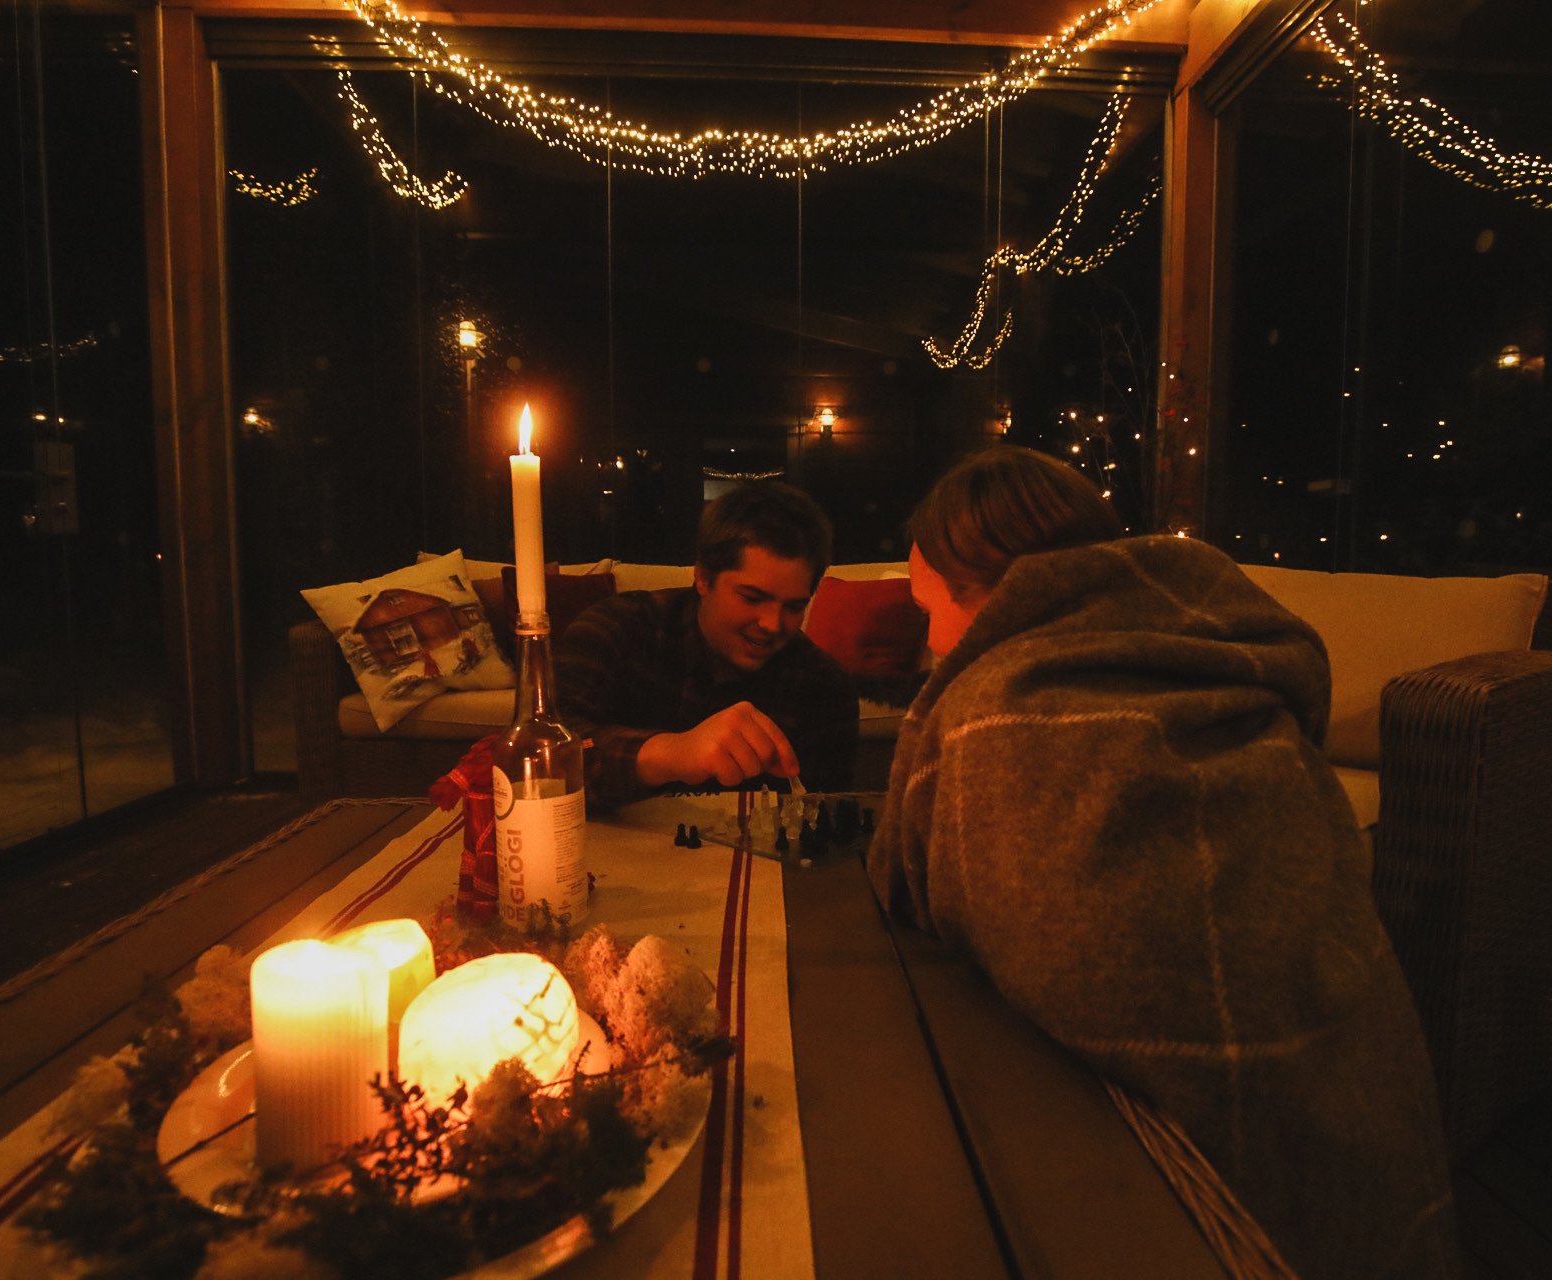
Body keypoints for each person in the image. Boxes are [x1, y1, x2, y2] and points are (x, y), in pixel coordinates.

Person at [868, 446, 1457, 1280]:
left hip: (1179, 1200)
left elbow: (952, 904)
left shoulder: (997, 711)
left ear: (998, 595)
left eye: (930, 608)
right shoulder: (1221, 654)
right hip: (1357, 1110)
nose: (929, 643)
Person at [556, 480, 859, 811]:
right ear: (702, 578)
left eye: (793, 607)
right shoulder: (615, 631)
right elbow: (548, 759)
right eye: (752, 598)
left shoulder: (824, 687)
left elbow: (822, 819)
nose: (773, 624)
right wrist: (671, 753)